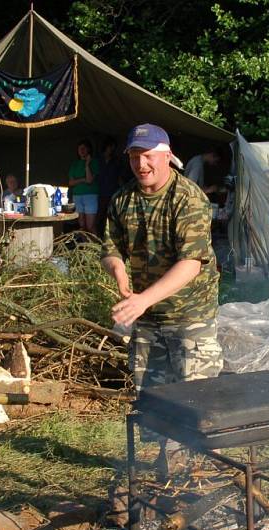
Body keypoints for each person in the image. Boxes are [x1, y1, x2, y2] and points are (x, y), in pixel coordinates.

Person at [101, 124, 222, 469]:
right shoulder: (123, 199)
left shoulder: (188, 198)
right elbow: (110, 246)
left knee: (196, 399)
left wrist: (142, 300)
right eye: (136, 156)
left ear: (167, 155)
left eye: (149, 156)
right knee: (152, 400)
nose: (142, 164)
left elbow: (191, 264)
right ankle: (165, 466)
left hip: (190, 318)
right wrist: (119, 271)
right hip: (149, 320)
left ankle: (202, 471)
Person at [96, 136, 128, 238]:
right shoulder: (98, 160)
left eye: (113, 147)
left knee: (111, 217)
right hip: (100, 193)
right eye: (110, 147)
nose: (112, 149)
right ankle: (99, 239)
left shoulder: (117, 161)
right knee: (99, 218)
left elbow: (120, 177)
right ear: (106, 146)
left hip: (113, 192)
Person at [68, 139, 101, 235]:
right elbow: (70, 182)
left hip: (90, 196)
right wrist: (83, 180)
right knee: (82, 226)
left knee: (90, 226)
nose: (81, 151)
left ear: (89, 150)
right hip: (77, 196)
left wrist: (87, 165)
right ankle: (85, 248)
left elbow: (90, 180)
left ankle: (97, 247)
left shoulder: (94, 162)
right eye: (79, 149)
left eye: (84, 148)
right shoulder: (74, 164)